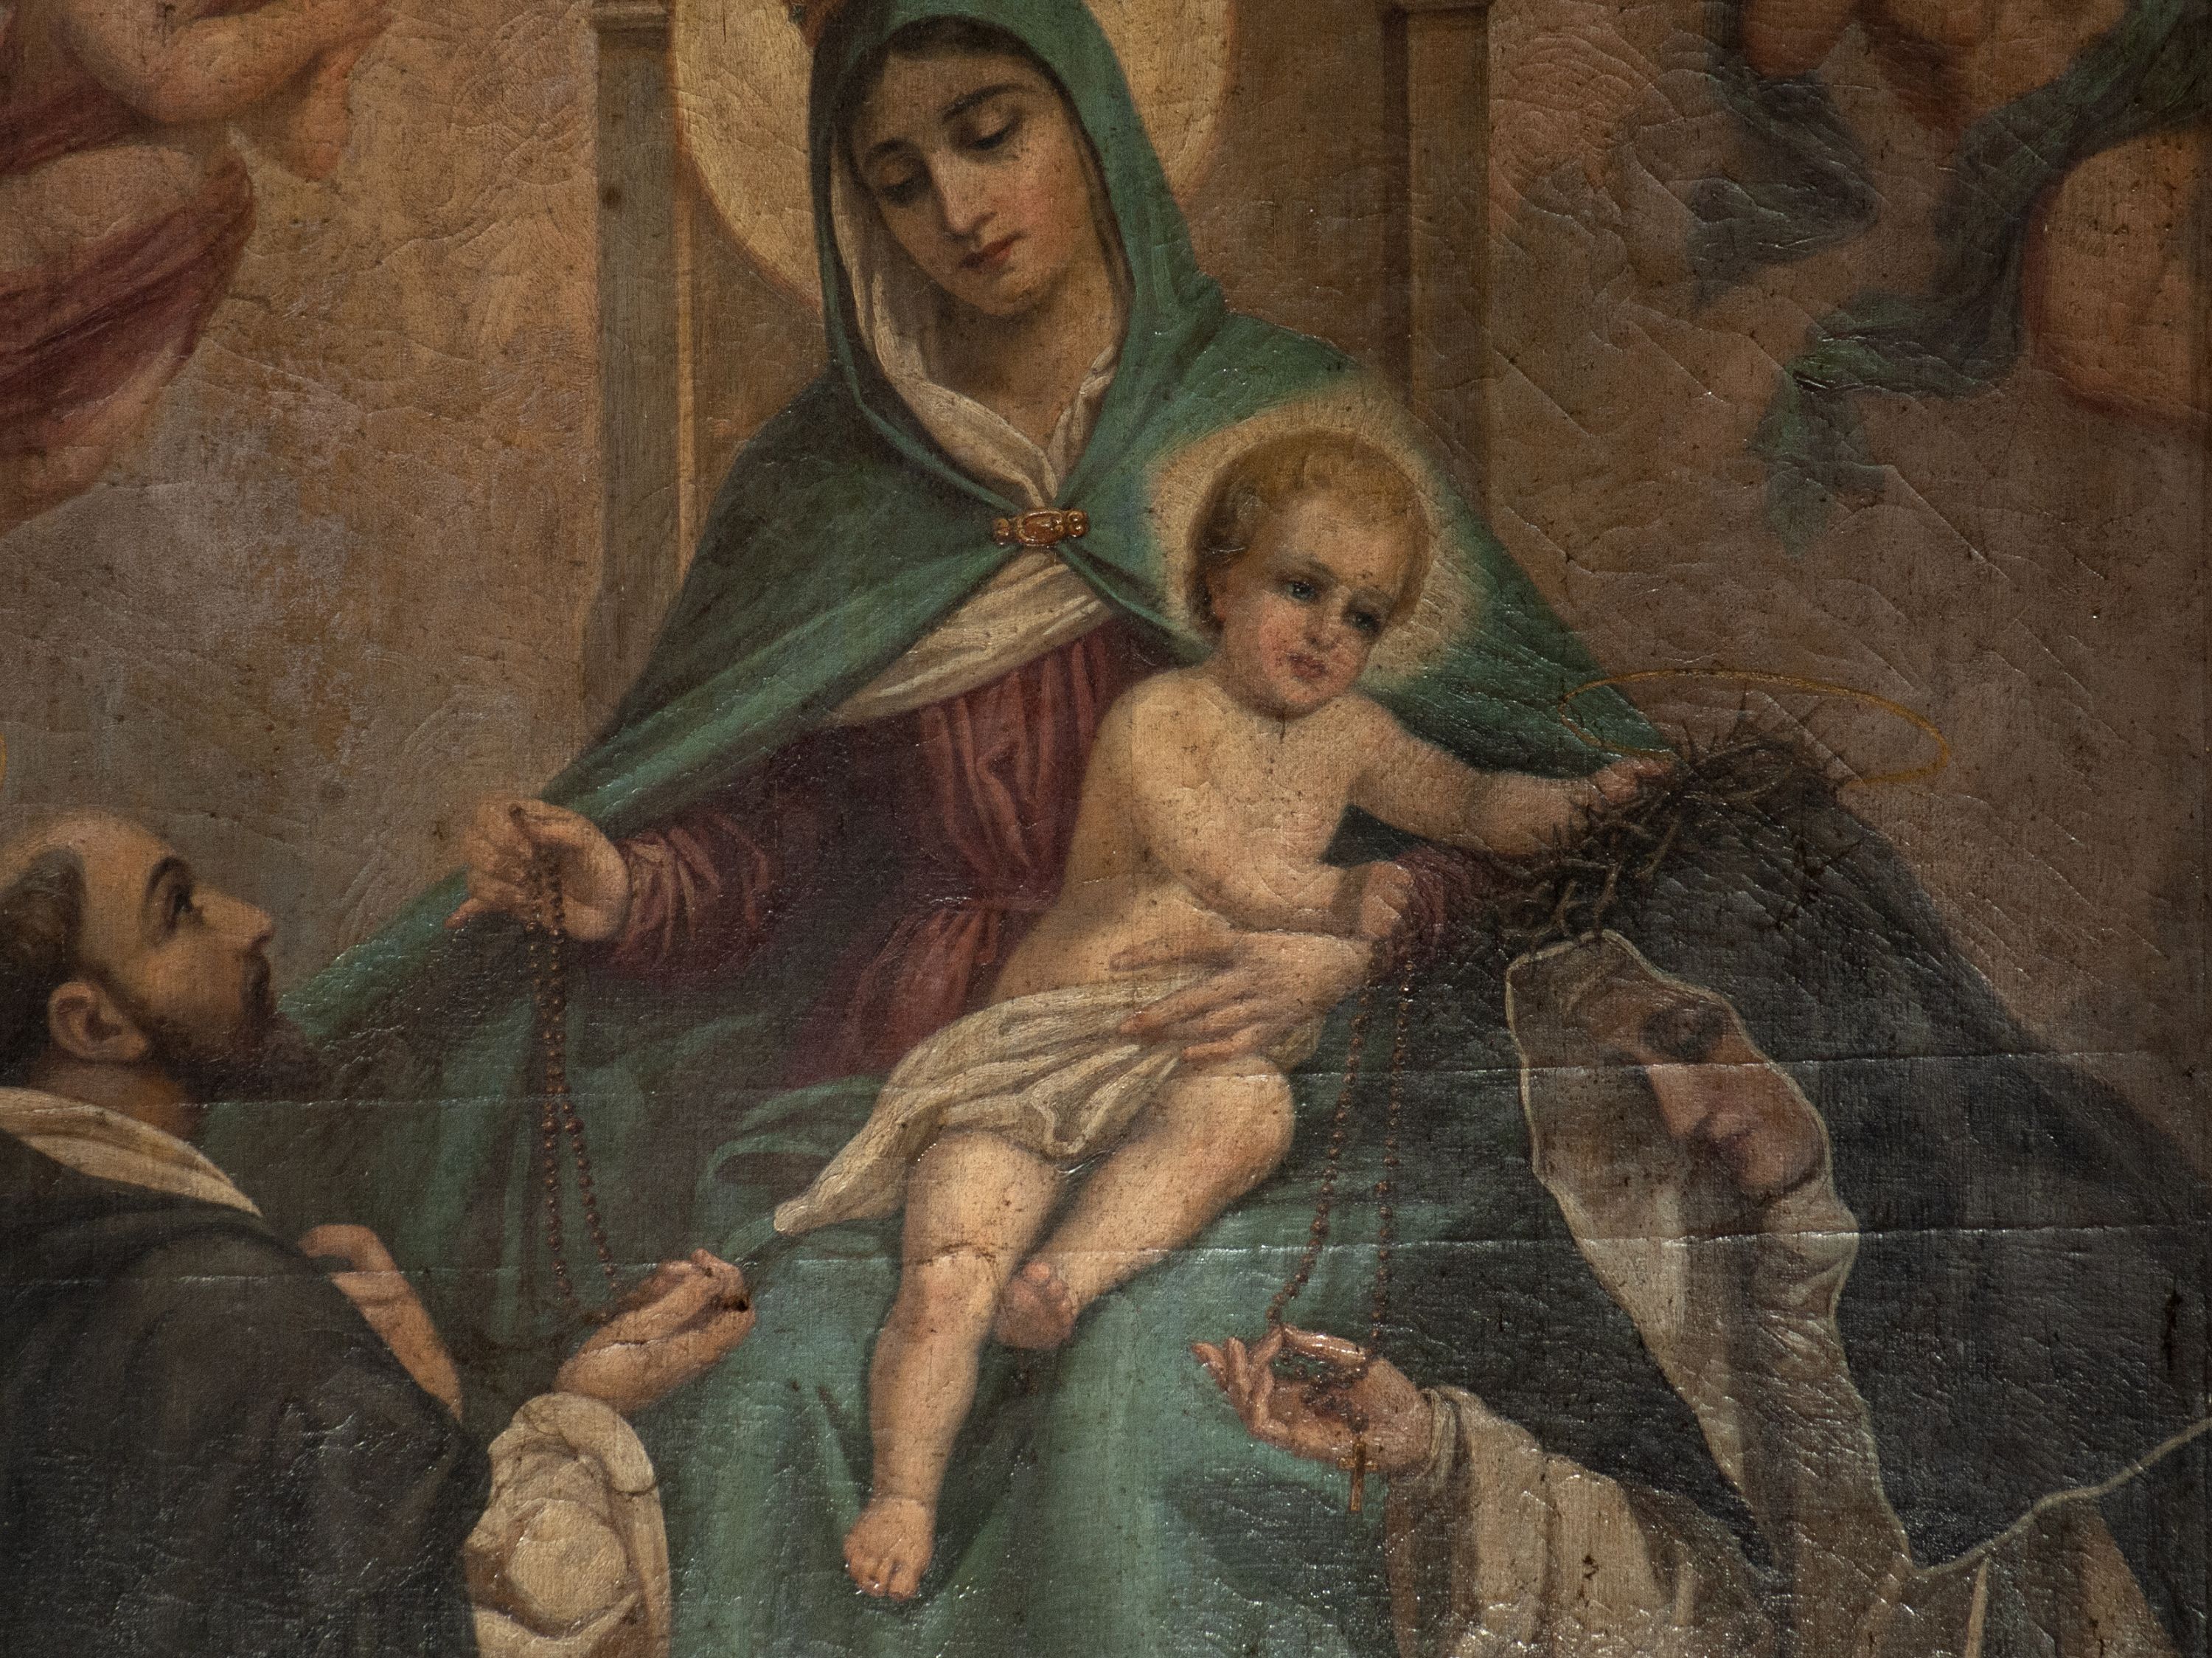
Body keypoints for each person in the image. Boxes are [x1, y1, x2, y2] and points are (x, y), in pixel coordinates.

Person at [207, 4, 2205, 1654]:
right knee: (794, 1372)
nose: (953, 208)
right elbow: (783, 842)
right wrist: (624, 879)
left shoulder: (1289, 435)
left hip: (1327, 1092)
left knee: (1150, 1405)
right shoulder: (826, 493)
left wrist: (1363, 931)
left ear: (1096, 119)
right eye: (893, 177)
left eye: (988, 133)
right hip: (955, 1062)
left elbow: (1512, 802)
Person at [778, 432, 1662, 1598]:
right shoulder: (1160, 718)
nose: (1328, 633)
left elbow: (1469, 800)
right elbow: (1220, 865)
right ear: (1219, 586)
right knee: (948, 1267)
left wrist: (1585, 803)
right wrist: (1338, 899)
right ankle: (904, 1493)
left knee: (1251, 1113)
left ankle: (1066, 1282)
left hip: (1196, 1053)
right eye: (1301, 588)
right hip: (1048, 1047)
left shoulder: (1352, 736)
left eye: (1363, 615)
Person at [1197, 932, 2208, 1658]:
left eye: (1691, 1035)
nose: (1677, 1112)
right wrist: (1432, 1450)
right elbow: (1770, 1619)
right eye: (1626, 1083)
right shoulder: (1756, 1296)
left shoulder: (2073, 1263)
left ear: (1806, 1018)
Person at [0, 811, 757, 1658]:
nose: (254, 921)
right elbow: (485, 1633)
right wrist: (576, 1414)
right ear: (92, 1025)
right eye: (180, 910)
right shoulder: (259, 1332)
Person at [0, 0, 387, 532]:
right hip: (41, 267)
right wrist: (320, 19)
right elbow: (166, 77)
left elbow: (305, 151)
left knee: (59, 466)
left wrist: (334, 61)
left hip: (171, 264)